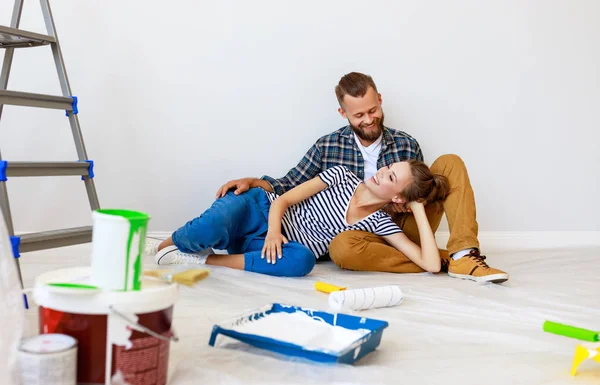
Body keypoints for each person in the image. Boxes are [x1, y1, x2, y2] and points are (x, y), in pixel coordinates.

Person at [215, 72, 509, 284]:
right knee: (340, 249)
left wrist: (416, 204)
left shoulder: (406, 144)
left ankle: (465, 254)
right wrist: (254, 181)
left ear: (380, 100)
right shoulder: (327, 146)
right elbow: (289, 184)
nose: (368, 120)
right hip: (365, 239)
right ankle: (443, 260)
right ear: (343, 113)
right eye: (359, 116)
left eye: (373, 110)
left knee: (449, 163)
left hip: (402, 224)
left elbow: (419, 186)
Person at [145, 161, 448, 277]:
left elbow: (431, 264)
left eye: (391, 176)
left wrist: (418, 207)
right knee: (208, 226)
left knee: (302, 262)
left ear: (398, 198)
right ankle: (162, 246)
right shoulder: (340, 175)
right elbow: (285, 199)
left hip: (270, 246)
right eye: (389, 166)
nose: (382, 170)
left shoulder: (379, 224)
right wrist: (275, 231)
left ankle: (200, 261)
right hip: (261, 209)